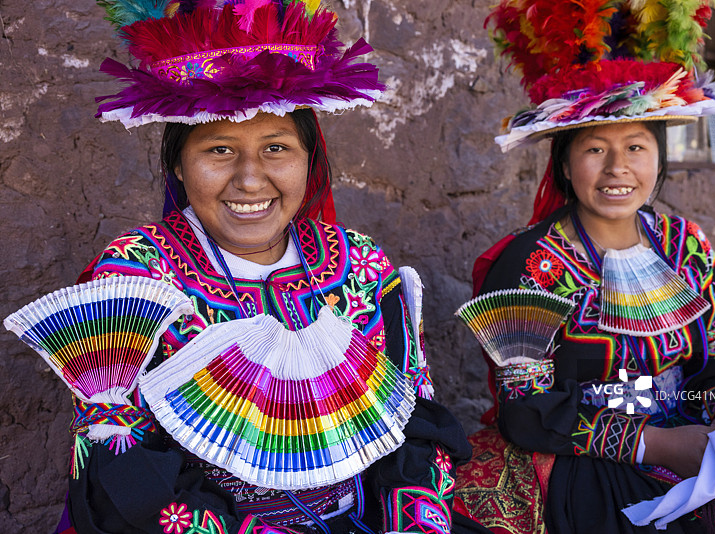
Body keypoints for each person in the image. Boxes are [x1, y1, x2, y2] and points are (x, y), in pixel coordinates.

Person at [31, 1, 489, 533]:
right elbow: (119, 466)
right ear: (178, 164)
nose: (250, 180)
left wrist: (412, 522)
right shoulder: (133, 277)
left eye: (276, 148)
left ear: (308, 158)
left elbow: (418, 422)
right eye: (220, 149)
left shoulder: (361, 265)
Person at [453, 1, 715, 533]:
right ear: (565, 165)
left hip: (700, 439)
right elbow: (526, 409)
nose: (618, 168)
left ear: (658, 157)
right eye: (595, 149)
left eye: (636, 146)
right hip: (584, 463)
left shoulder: (685, 245)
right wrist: (657, 445)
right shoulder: (529, 266)